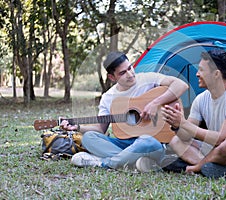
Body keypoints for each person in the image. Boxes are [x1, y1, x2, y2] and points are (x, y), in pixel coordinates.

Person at [60, 51, 188, 171]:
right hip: (123, 144)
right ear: (112, 77)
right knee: (88, 138)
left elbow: (181, 85)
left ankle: (104, 163)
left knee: (146, 141)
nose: (130, 74)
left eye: (130, 67)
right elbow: (100, 129)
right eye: (122, 73)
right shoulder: (108, 97)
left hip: (152, 143)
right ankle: (135, 161)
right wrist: (77, 127)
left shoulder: (148, 79)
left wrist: (155, 103)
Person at [161, 48, 226, 178]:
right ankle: (219, 167)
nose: (197, 74)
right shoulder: (201, 99)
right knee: (176, 141)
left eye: (201, 70)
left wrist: (183, 123)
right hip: (216, 151)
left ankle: (194, 168)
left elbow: (221, 139)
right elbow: (185, 136)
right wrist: (177, 124)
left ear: (216, 74)